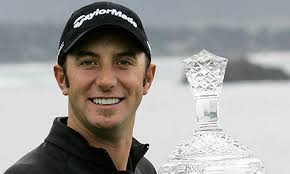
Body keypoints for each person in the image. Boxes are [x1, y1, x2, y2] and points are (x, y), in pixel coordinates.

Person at [4, 1, 156, 174]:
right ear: (62, 78)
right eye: (88, 62)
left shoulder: (144, 169)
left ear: (148, 78)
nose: (106, 81)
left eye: (123, 62)